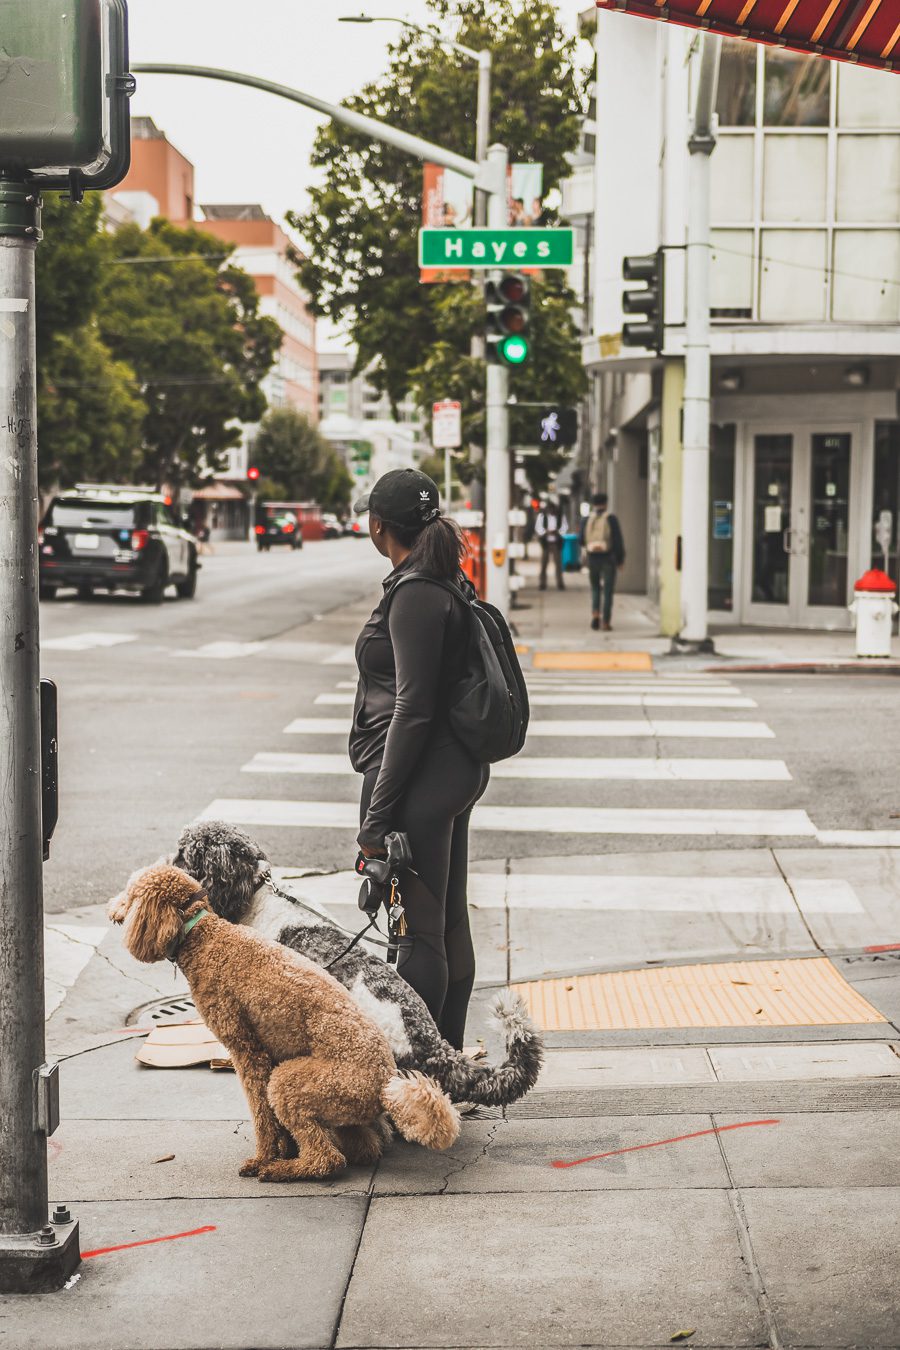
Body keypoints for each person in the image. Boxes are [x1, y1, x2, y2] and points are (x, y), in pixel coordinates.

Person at [349, 468, 490, 1051]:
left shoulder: (414, 594)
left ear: (379, 525)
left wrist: (377, 818)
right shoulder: (444, 581)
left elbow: (412, 709)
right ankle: (449, 1061)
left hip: (418, 780)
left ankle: (420, 1073)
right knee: (447, 924)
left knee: (416, 936)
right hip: (451, 771)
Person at [582, 491, 625, 631]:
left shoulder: (587, 519)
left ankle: (595, 614)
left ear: (593, 504)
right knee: (607, 591)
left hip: (592, 558)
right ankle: (606, 622)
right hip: (608, 558)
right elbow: (618, 540)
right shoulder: (611, 518)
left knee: (595, 588)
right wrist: (620, 559)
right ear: (606, 503)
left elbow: (581, 540)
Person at [533, 496, 568, 591]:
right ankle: (542, 583)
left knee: (558, 564)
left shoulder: (560, 517)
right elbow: (538, 528)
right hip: (546, 543)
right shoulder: (542, 517)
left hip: (556, 543)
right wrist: (545, 532)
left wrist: (557, 532)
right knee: (544, 564)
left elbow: (564, 527)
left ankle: (560, 583)